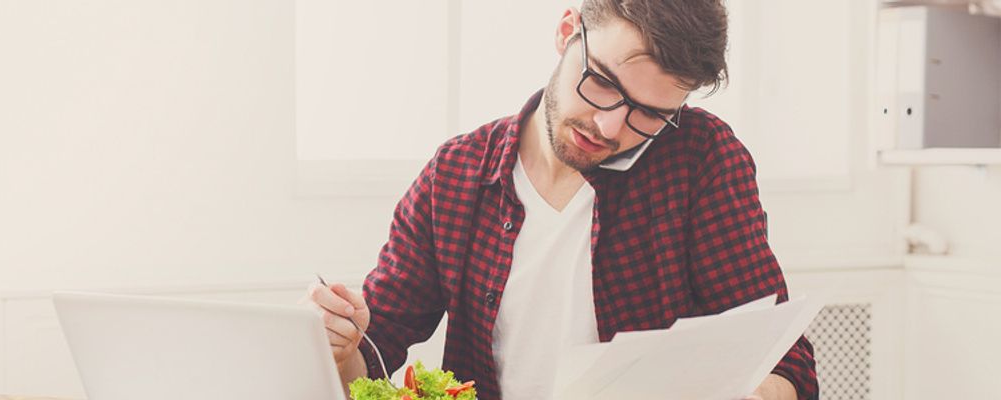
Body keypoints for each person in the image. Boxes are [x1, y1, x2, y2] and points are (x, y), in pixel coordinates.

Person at [306, 1, 817, 399]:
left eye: (650, 114)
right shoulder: (456, 176)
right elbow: (372, 356)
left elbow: (785, 363)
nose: (610, 126)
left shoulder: (702, 159)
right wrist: (341, 342)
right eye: (602, 83)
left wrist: (761, 392)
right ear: (566, 31)